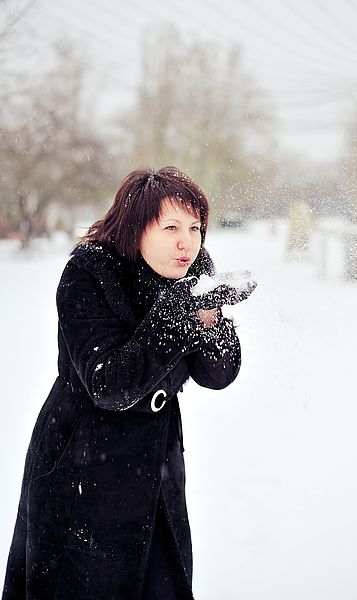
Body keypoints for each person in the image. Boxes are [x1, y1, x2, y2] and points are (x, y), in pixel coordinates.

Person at [2, 167, 256, 600]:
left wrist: (212, 323)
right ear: (136, 227)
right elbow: (109, 385)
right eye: (171, 227)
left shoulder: (193, 274)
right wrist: (181, 320)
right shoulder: (88, 276)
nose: (187, 242)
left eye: (195, 228)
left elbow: (218, 374)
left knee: (158, 584)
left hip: (155, 471)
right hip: (82, 466)